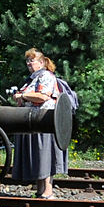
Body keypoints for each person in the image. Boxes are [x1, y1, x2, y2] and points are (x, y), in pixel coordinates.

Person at [10, 48, 67, 198]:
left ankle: (48, 190)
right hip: (33, 122)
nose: (29, 63)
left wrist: (23, 95)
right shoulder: (32, 78)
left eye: (32, 60)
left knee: (45, 155)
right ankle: (41, 189)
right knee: (38, 155)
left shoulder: (46, 76)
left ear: (41, 62)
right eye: (27, 61)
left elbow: (43, 97)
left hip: (44, 122)